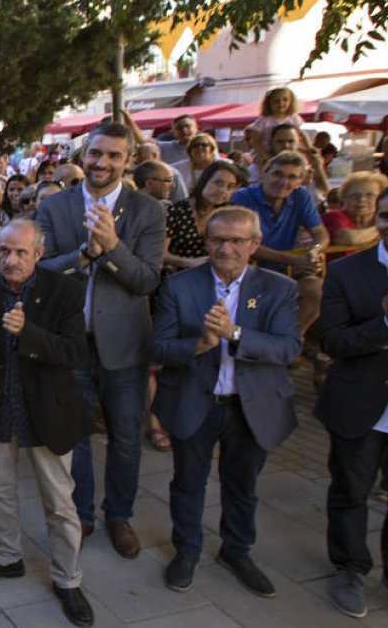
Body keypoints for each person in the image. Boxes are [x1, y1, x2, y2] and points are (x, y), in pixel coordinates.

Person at [150, 205, 302, 599]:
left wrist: (235, 333)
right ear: (206, 241)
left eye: (237, 240)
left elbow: (288, 348)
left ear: (255, 244)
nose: (226, 249)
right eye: (217, 239)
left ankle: (237, 551)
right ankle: (186, 551)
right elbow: (159, 346)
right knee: (187, 483)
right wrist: (198, 344)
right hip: (194, 401)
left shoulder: (278, 288)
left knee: (242, 485)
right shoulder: (180, 286)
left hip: (250, 406)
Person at [0, 220, 95, 627]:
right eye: (3, 251)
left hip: (47, 413)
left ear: (39, 254)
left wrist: (28, 333)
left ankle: (67, 579)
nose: (10, 260)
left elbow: (74, 354)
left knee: (60, 503)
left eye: (20, 252)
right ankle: (6, 557)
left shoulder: (64, 291)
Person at [36, 122, 166, 559]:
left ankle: (119, 515)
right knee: (76, 435)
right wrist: (83, 255)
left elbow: (147, 280)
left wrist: (111, 248)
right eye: (95, 153)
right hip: (71, 343)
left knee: (127, 436)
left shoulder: (148, 211)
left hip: (125, 345)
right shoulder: (57, 207)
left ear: (128, 160)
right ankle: (82, 514)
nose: (102, 163)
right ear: (83, 155)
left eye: (113, 155)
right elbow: (42, 270)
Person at [316, 179, 388, 621]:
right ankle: (350, 567)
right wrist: (386, 327)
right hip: (362, 404)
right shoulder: (347, 272)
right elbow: (331, 340)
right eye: (387, 216)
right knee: (351, 492)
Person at [230, 150, 329, 336]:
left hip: (285, 271)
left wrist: (314, 252)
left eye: (292, 177)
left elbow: (320, 233)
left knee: (316, 289)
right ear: (264, 174)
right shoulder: (242, 197)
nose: (283, 182)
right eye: (277, 174)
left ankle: (290, 341)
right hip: (246, 271)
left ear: (300, 181)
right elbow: (243, 244)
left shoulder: (300, 195)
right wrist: (292, 260)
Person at [164, 161, 248, 272]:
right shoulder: (175, 211)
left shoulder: (229, 213)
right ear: (204, 181)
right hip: (179, 273)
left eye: (230, 187)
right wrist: (188, 263)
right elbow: (160, 253)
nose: (223, 191)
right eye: (218, 183)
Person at [322, 171, 387, 249]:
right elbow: (348, 239)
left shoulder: (384, 218)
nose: (362, 199)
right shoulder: (333, 216)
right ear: (343, 198)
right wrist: (381, 229)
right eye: (355, 196)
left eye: (369, 195)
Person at [245, 86, 305, 157]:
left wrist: (309, 147)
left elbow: (302, 134)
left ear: (291, 101)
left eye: (285, 100)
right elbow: (255, 141)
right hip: (266, 152)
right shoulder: (264, 121)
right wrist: (264, 155)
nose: (281, 103)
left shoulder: (294, 118)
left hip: (288, 150)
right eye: (276, 101)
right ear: (269, 103)